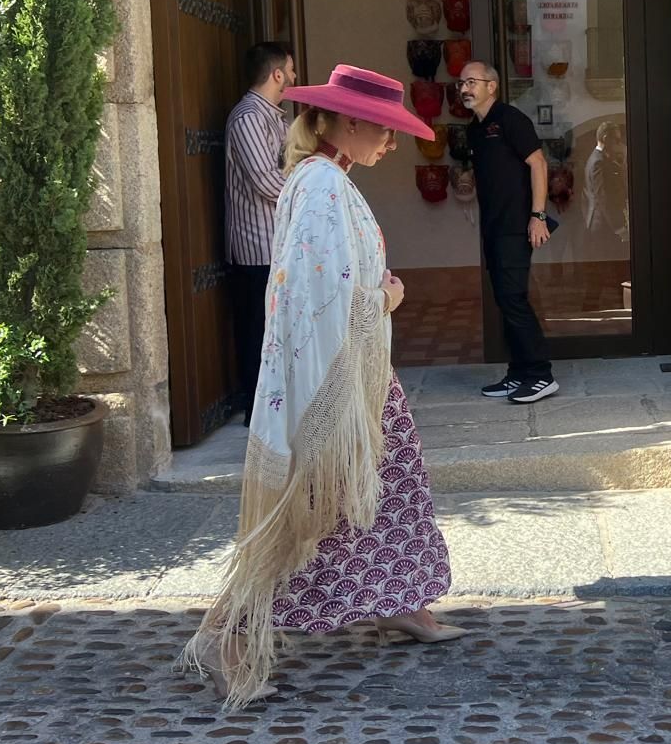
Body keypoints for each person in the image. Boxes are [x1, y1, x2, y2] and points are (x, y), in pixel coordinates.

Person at [183, 63, 464, 708]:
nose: (391, 142)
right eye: (384, 129)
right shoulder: (320, 187)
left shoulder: (326, 180)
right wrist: (386, 299)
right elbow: (317, 297)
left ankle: (399, 598)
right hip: (334, 383)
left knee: (389, 490)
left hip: (356, 374)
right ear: (346, 121)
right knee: (309, 512)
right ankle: (226, 633)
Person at [459, 62, 558, 403]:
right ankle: (519, 373)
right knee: (504, 299)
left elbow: (538, 164)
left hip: (516, 226)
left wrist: (538, 216)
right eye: (461, 83)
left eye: (472, 82)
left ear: (492, 86)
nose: (465, 89)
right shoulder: (475, 129)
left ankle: (540, 375)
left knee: (513, 298)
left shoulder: (510, 119)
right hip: (494, 227)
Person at [225, 41, 296, 422]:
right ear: (277, 74)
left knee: (277, 329)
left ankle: (276, 406)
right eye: (291, 70)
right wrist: (308, 190)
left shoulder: (275, 118)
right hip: (258, 246)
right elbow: (266, 181)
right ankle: (259, 412)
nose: (295, 77)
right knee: (258, 330)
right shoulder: (248, 118)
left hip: (278, 244)